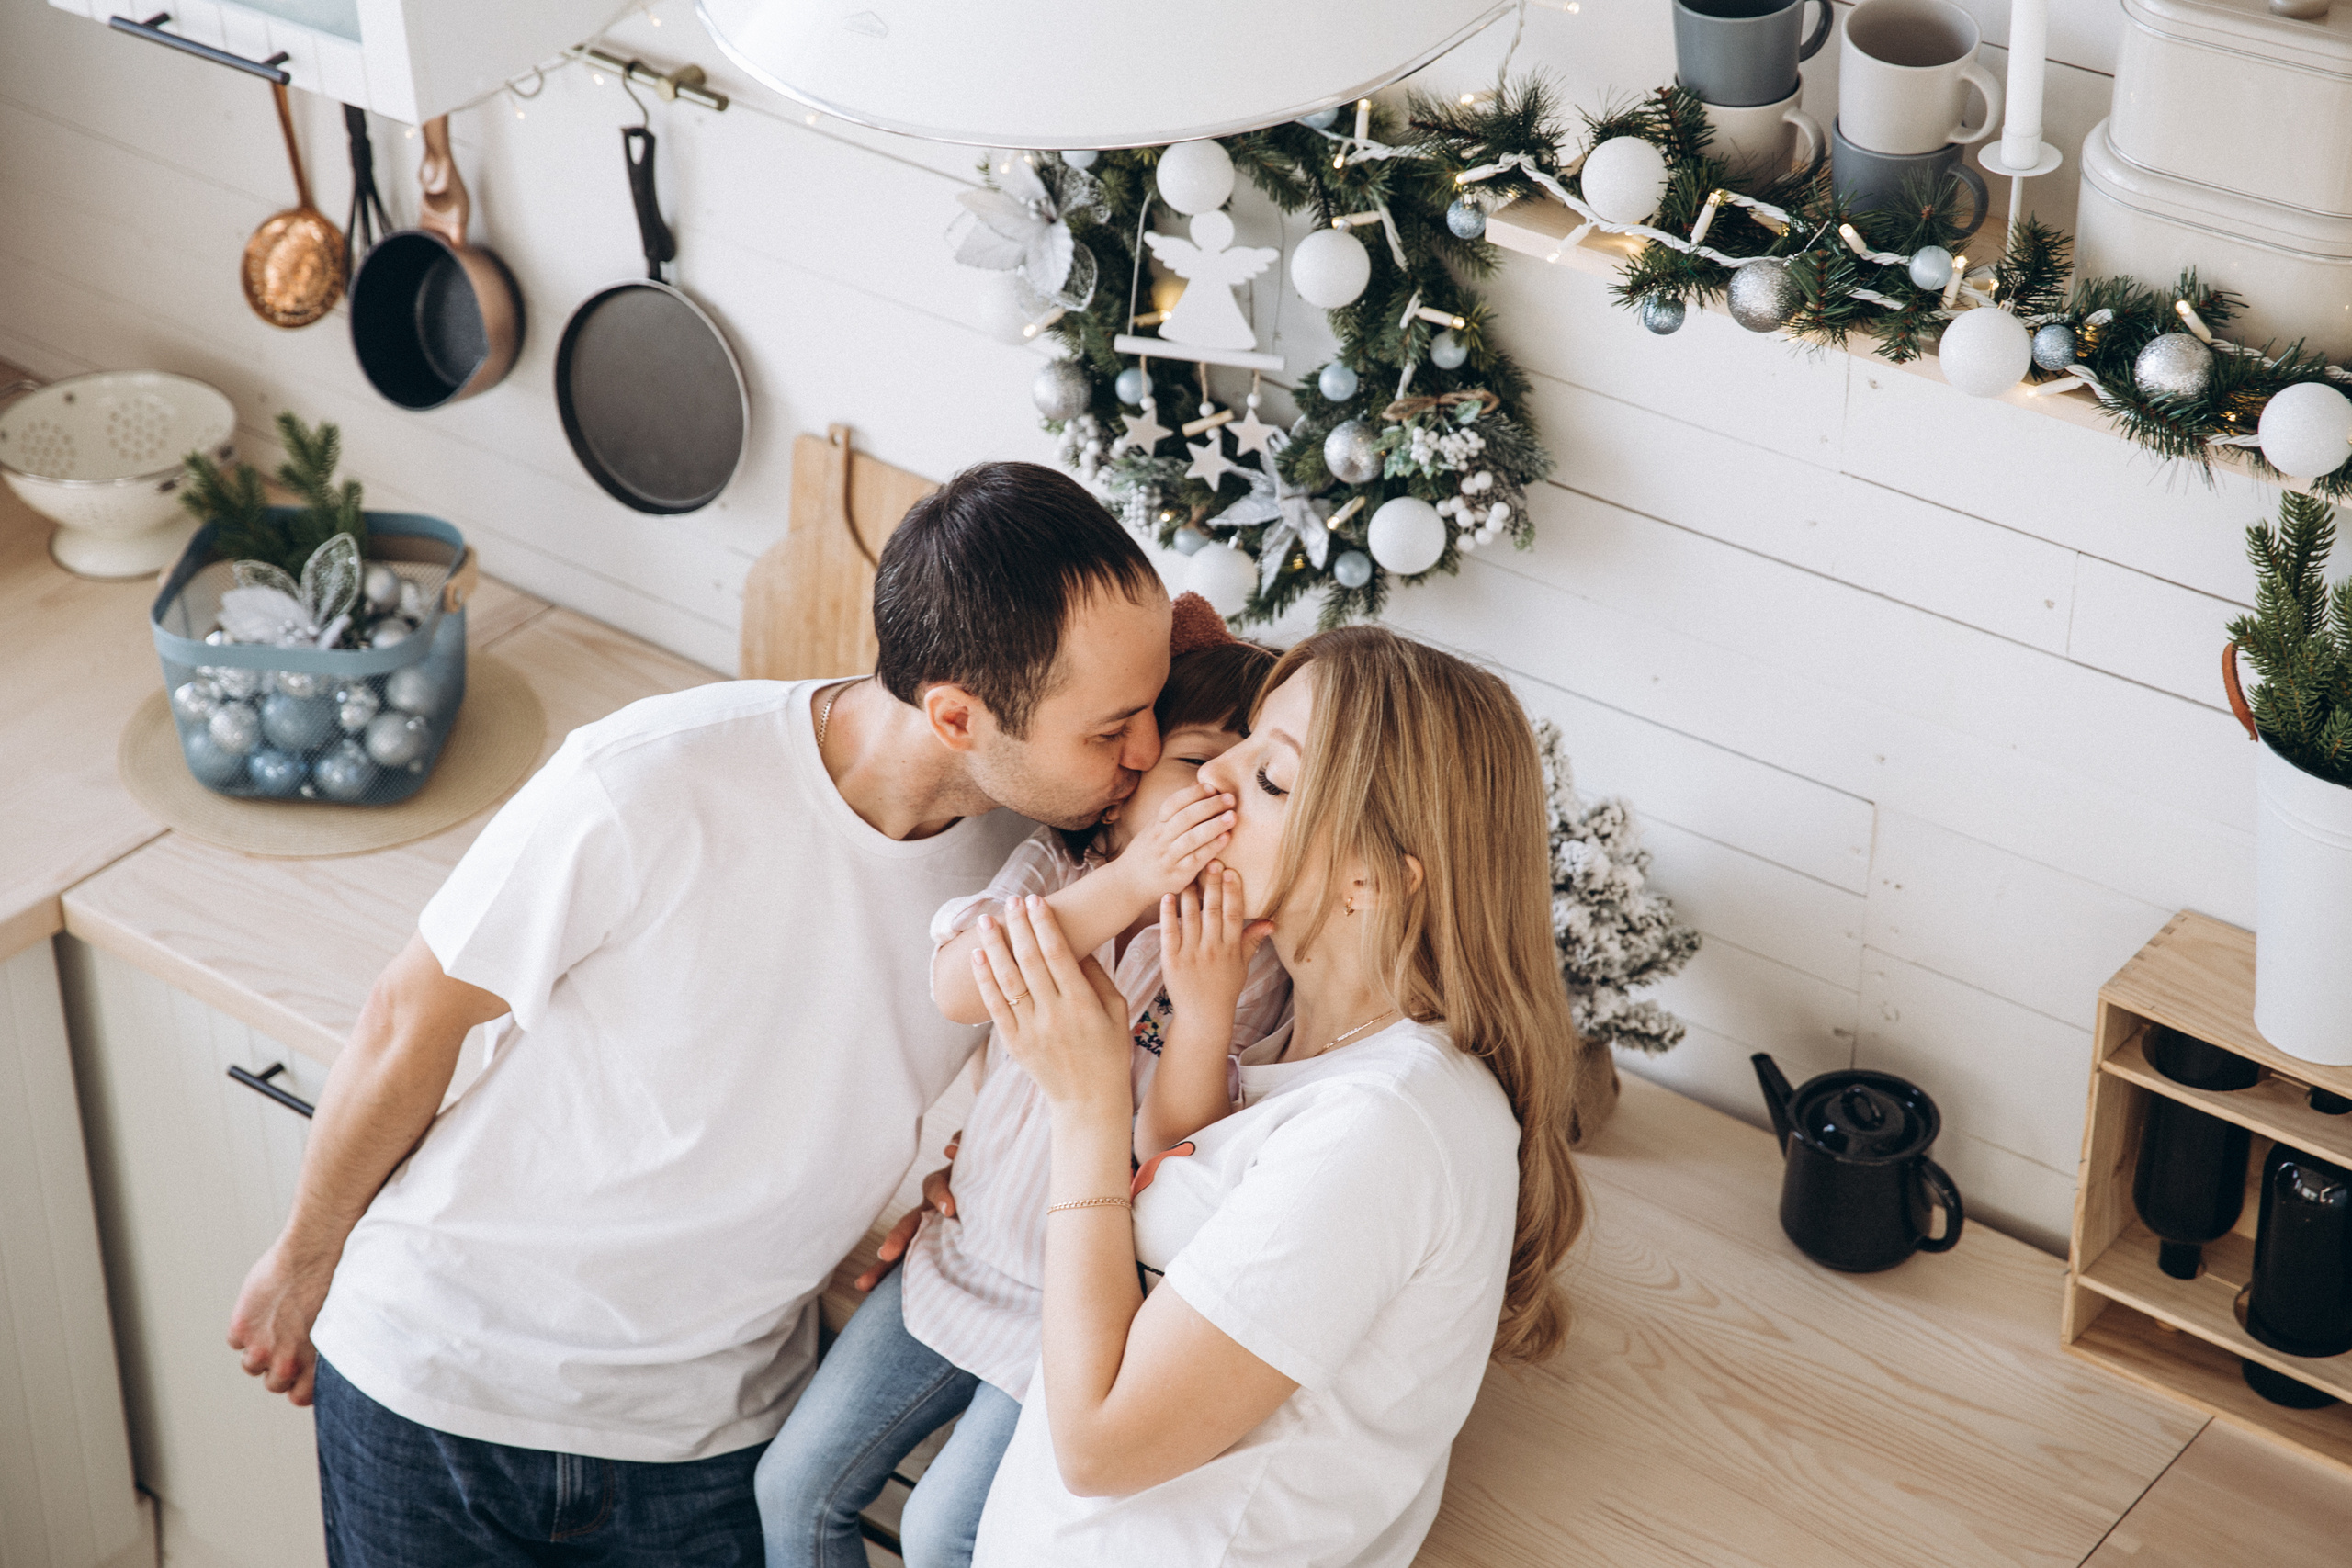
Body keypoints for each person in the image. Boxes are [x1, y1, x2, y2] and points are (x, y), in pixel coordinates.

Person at [223, 461, 1175, 1566]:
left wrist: (968, 1185)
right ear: (957, 715)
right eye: (1112, 730)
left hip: (712, 1435)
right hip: (440, 1385)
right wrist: (301, 1261)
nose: (1145, 752)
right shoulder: (651, 778)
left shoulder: (1033, 868)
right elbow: (408, 1017)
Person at [963, 626, 1598, 1568]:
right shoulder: (1304, 1045)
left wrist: (1082, 1107)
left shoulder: (1385, 1133)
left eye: (1270, 778)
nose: (1210, 781)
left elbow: (1101, 1448)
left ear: (1373, 879)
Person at [753, 605, 1289, 1568]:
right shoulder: (1056, 872)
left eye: (1253, 787)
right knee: (791, 1487)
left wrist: (1204, 1005)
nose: (1217, 810)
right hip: (962, 1253)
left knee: (945, 1533)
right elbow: (961, 985)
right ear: (1119, 794)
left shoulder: (1249, 961)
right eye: (1192, 772)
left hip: (1086, 1318)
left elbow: (1190, 1148)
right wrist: (1130, 885)